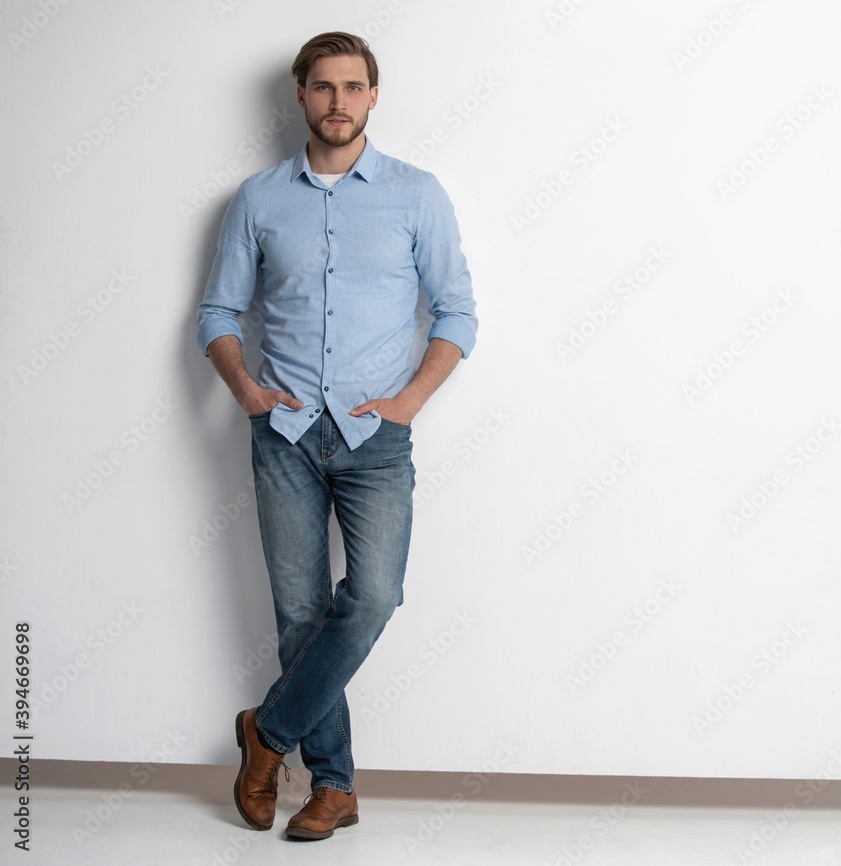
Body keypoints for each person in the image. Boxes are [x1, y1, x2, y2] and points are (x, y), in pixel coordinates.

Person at [195, 31, 478, 841]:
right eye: (323, 87)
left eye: (353, 87)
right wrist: (247, 390)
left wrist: (409, 401)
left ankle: (265, 736)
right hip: (281, 433)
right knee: (299, 615)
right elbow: (217, 312)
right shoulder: (257, 199)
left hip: (375, 437)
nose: (338, 102)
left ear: (374, 97)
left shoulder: (416, 194)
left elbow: (457, 311)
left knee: (374, 598)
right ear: (301, 97)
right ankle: (334, 787)